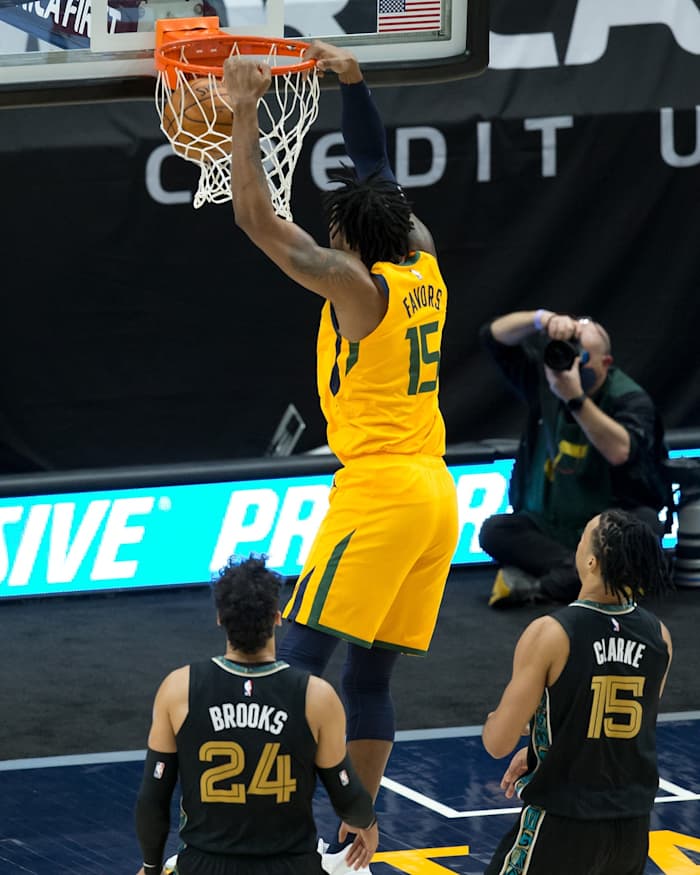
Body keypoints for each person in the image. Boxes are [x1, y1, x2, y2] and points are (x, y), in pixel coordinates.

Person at [222, 41, 459, 874]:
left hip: (385, 493)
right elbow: (378, 165)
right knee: (369, 680)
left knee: (296, 665)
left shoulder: (361, 290)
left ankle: (262, 834)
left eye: (334, 232)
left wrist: (246, 109)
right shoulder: (419, 254)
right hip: (436, 494)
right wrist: (356, 84)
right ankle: (353, 843)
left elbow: (259, 224)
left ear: (349, 242)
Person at [134, 555, 378, 875]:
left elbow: (153, 800)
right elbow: (347, 796)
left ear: (221, 618)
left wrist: (150, 868)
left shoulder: (178, 689)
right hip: (289, 866)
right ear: (278, 618)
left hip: (206, 866)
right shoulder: (317, 697)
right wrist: (368, 823)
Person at [482, 509, 673, 875]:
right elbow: (620, 730)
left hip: (563, 824)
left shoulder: (550, 633)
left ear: (590, 560)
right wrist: (545, 748)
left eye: (584, 534)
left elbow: (497, 744)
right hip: (631, 827)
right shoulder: (659, 635)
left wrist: (502, 724)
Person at [478, 308, 671, 608]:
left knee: (644, 528)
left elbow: (621, 451)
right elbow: (493, 336)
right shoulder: (547, 380)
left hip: (607, 525)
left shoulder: (629, 398)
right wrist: (540, 319)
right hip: (551, 527)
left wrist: (575, 400)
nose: (570, 361)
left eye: (580, 353)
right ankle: (588, 577)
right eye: (566, 349)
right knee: (494, 531)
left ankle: (547, 584)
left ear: (605, 363)